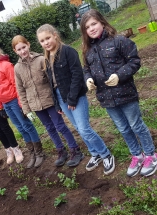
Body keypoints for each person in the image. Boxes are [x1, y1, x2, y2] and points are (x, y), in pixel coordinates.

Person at [81, 9, 157, 177]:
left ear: (102, 22)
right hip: (106, 98)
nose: (92, 28)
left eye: (94, 24)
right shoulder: (87, 51)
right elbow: (86, 69)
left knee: (136, 124)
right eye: (87, 27)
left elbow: (134, 61)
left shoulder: (119, 41)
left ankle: (150, 155)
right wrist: (88, 79)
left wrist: (119, 75)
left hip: (126, 94)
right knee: (123, 128)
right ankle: (137, 155)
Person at [36, 24, 115, 175]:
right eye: (42, 41)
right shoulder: (47, 58)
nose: (46, 42)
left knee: (84, 128)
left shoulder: (68, 51)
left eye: (47, 38)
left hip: (75, 95)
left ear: (55, 35)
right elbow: (52, 84)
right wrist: (57, 104)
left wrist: (72, 99)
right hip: (60, 96)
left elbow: (77, 75)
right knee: (78, 128)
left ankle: (106, 154)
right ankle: (95, 153)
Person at [12, 35, 84, 168]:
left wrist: (57, 99)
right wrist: (26, 110)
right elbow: (20, 89)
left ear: (28, 45)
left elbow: (52, 81)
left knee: (60, 125)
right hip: (36, 105)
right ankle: (61, 151)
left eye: (24, 47)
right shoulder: (17, 68)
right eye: (19, 49)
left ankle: (75, 150)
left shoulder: (41, 60)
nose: (23, 51)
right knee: (49, 128)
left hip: (50, 100)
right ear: (15, 51)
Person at [0, 39, 44, 168]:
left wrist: (21, 104)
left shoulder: (6, 65)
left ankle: (39, 153)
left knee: (27, 125)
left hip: (15, 101)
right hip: (5, 104)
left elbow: (16, 85)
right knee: (20, 128)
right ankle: (32, 153)